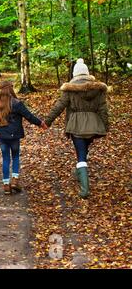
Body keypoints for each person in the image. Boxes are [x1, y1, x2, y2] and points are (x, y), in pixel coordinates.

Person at [45, 59, 109, 199]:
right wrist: (105, 125)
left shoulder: (70, 90)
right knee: (84, 151)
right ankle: (80, 172)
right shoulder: (98, 90)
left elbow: (59, 106)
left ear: (75, 74)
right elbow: (103, 109)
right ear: (87, 73)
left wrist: (47, 121)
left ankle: (85, 188)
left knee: (80, 155)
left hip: (76, 125)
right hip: (93, 126)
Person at [0, 81, 47, 195]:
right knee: (15, 156)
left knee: (6, 159)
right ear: (11, 89)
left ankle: (6, 185)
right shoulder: (17, 103)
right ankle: (15, 180)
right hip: (14, 135)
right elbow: (29, 116)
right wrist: (40, 123)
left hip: (2, 136)